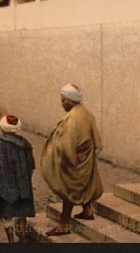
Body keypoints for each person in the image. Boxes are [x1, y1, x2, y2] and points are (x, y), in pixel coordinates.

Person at [41, 84, 104, 237]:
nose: (62, 103)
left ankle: (63, 224)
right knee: (85, 183)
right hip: (86, 159)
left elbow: (67, 146)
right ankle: (87, 210)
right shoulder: (86, 113)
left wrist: (62, 159)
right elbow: (97, 140)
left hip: (74, 161)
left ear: (70, 100)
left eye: (63, 101)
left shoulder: (72, 119)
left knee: (69, 190)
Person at [0, 114, 35, 243]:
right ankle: (22, 239)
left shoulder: (1, 144)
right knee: (22, 214)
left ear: (3, 128)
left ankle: (11, 241)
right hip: (24, 186)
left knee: (7, 215)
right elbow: (31, 165)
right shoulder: (26, 144)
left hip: (7, 186)